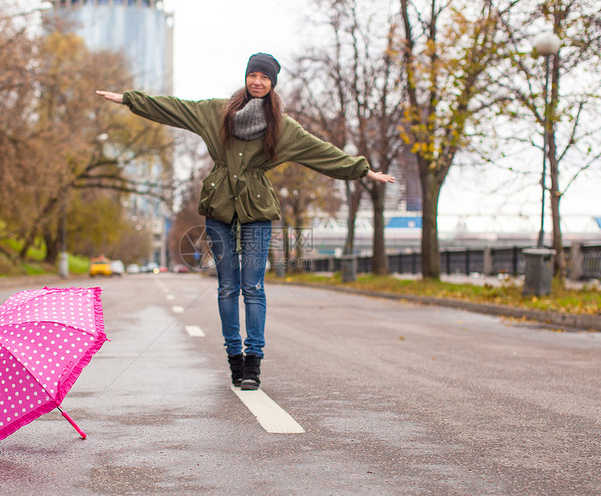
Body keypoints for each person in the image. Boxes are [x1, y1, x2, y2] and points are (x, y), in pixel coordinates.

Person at [96, 52, 395, 391]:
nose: (257, 81)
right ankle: (234, 358)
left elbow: (321, 152)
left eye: (264, 77)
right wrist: (128, 100)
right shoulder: (216, 112)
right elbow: (174, 108)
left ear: (272, 84)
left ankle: (253, 361)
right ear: (246, 77)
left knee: (252, 287)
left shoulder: (284, 127)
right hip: (220, 206)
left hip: (256, 209)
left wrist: (363, 170)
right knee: (227, 286)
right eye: (253, 74)